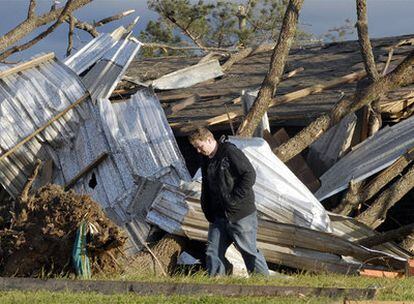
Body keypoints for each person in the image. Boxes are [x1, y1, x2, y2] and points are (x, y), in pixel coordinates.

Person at [189, 127, 269, 276]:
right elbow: (206, 185)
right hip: (218, 216)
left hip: (240, 214)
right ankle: (216, 287)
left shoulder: (230, 152)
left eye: (200, 147)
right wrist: (207, 208)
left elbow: (249, 175)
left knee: (248, 251)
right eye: (196, 148)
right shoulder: (205, 160)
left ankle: (264, 285)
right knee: (213, 252)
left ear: (209, 139)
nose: (199, 151)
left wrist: (234, 199)